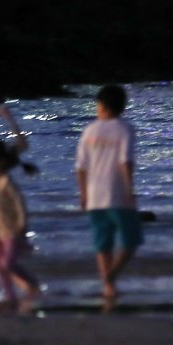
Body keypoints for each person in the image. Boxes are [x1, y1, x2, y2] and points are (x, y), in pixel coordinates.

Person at [75, 85, 141, 303]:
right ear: (122, 106)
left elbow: (81, 167)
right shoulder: (125, 129)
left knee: (103, 242)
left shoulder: (89, 130)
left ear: (101, 105)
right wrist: (130, 190)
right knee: (131, 240)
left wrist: (83, 194)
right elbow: (125, 163)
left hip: (95, 195)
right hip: (117, 193)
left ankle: (108, 284)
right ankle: (110, 279)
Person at [0, 107, 40, 311]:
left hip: (13, 232)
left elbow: (19, 203)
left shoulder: (5, 182)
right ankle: (10, 295)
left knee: (6, 265)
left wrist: (22, 224)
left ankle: (29, 284)